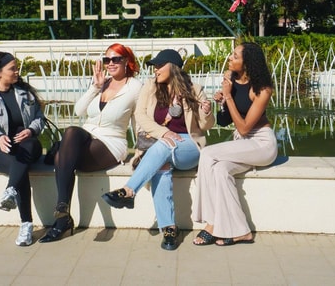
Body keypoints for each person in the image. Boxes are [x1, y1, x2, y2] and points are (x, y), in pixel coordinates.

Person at [102, 49, 215, 251]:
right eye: (154, 66)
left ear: (173, 67)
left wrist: (206, 112)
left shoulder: (194, 89)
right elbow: (141, 116)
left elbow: (205, 126)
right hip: (162, 145)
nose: (156, 70)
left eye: (160, 65)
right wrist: (164, 132)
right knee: (161, 167)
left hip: (189, 146)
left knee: (163, 146)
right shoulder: (150, 87)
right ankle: (169, 228)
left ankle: (129, 190)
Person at [39, 43, 143, 243]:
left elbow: (138, 123)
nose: (110, 63)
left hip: (111, 142)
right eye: (107, 59)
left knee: (61, 156)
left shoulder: (135, 87)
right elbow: (79, 111)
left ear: (127, 61)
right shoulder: (102, 83)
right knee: (71, 131)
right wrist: (94, 87)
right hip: (87, 136)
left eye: (116, 59)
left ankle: (62, 220)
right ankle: (63, 210)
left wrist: (140, 151)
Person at [191, 42, 277, 246]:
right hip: (243, 145)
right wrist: (221, 102)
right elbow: (224, 122)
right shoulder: (232, 81)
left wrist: (228, 96)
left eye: (235, 56)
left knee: (207, 153)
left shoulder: (263, 89)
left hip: (261, 144)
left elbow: (245, 128)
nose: (230, 58)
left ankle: (211, 223)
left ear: (247, 63)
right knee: (220, 170)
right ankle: (241, 231)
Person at [0, 52, 45, 247]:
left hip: (27, 146)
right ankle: (26, 224)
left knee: (25, 151)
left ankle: (11, 191)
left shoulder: (25, 93)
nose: (17, 71)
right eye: (12, 68)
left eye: (16, 67)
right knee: (18, 166)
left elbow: (40, 117)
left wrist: (31, 130)